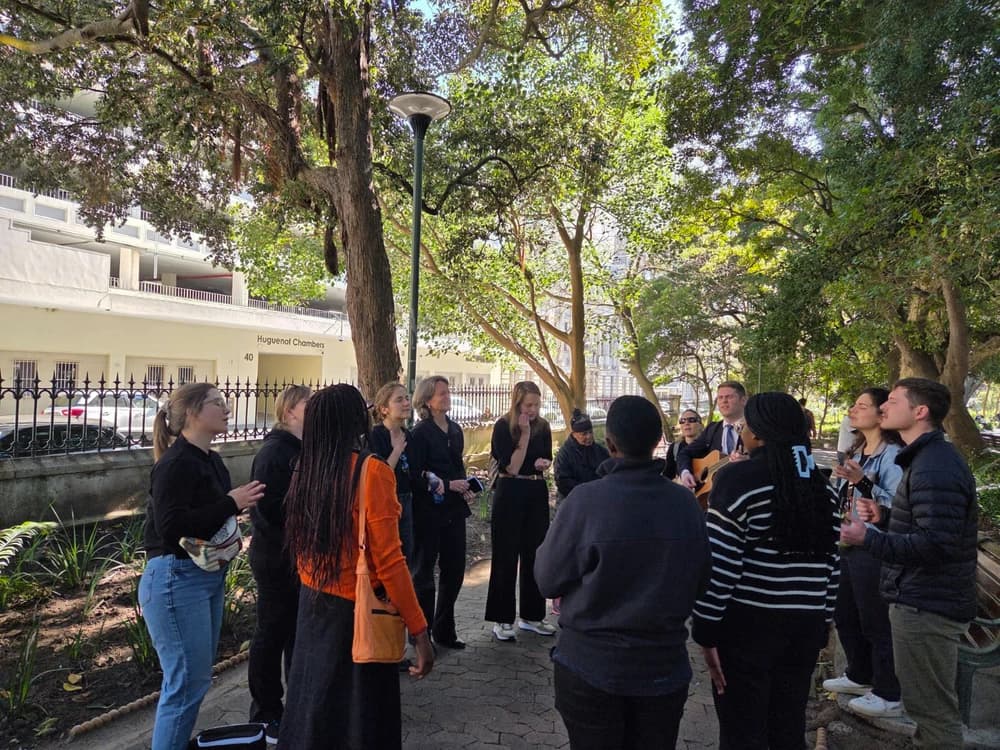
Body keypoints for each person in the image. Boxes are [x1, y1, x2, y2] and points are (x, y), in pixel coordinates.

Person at [535, 395, 711, 750]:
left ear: (610, 443)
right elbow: (702, 581)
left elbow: (547, 578)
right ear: (657, 442)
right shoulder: (685, 504)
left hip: (590, 666)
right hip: (662, 668)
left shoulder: (584, 502)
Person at [278, 384, 433, 749]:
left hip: (313, 605)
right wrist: (419, 631)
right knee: (360, 720)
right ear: (355, 421)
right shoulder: (371, 471)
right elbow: (391, 562)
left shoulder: (305, 468)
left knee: (314, 710)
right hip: (358, 612)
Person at [692, 392, 840, 750]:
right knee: (787, 728)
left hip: (747, 631)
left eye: (745, 426)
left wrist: (705, 631)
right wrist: (823, 623)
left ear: (757, 434)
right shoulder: (823, 489)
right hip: (804, 631)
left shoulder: (738, 482)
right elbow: (831, 567)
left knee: (743, 732)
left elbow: (721, 565)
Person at [840, 378, 978, 749]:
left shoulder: (935, 466)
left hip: (928, 604)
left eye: (893, 401)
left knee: (932, 711)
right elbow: (927, 527)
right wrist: (884, 516)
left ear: (920, 412)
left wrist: (869, 538)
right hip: (919, 598)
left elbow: (936, 545)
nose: (884, 407)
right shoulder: (924, 459)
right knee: (923, 706)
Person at [140, 383, 265, 750]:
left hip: (203, 577)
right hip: (175, 579)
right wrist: (231, 503)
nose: (227, 409)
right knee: (185, 686)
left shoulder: (211, 460)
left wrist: (236, 505)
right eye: (217, 403)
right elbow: (171, 526)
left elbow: (209, 517)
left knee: (193, 682)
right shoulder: (176, 463)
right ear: (193, 412)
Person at [823, 388, 904, 718]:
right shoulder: (856, 450)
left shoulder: (893, 455)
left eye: (862, 405)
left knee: (874, 619)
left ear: (881, 414)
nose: (853, 410)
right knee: (845, 612)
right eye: (853, 405)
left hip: (874, 545)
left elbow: (896, 505)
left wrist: (862, 481)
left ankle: (888, 692)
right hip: (847, 542)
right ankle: (859, 674)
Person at [247, 384, 311, 739]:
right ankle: (265, 711)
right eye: (308, 404)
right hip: (276, 557)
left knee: (295, 634)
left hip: (297, 556)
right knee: (271, 633)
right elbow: (269, 509)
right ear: (289, 412)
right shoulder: (275, 453)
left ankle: (296, 705)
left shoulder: (303, 449)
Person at [486, 381, 556, 641]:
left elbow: (546, 457)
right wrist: (524, 435)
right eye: (528, 405)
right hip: (510, 491)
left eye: (537, 404)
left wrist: (544, 463)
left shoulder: (544, 426)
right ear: (517, 403)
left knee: (535, 554)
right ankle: (502, 619)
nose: (533, 410)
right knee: (506, 555)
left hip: (535, 490)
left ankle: (532, 616)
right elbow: (512, 467)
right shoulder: (503, 426)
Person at [407, 376, 473, 649]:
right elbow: (415, 474)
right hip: (428, 512)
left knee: (454, 570)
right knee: (424, 574)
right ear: (427, 401)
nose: (447, 397)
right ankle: (421, 635)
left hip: (454, 511)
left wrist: (465, 486)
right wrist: (446, 484)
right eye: (441, 393)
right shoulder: (419, 433)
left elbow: (458, 466)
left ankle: (445, 630)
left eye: (448, 392)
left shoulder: (455, 430)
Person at [370, 383, 415, 564]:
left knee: (407, 556)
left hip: (407, 499)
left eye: (407, 398)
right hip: (386, 501)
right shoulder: (376, 436)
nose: (406, 403)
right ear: (384, 409)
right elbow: (378, 476)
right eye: (399, 400)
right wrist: (396, 450)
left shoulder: (407, 435)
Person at [678, 380, 749, 491]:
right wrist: (685, 473)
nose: (724, 401)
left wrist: (748, 459)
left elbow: (767, 457)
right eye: (720, 398)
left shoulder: (754, 428)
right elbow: (685, 453)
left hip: (744, 488)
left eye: (729, 397)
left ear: (743, 400)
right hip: (713, 492)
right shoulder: (712, 429)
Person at [553, 408, 610, 502]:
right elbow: (562, 481)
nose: (589, 436)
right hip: (573, 500)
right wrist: (586, 491)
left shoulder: (601, 451)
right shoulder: (564, 454)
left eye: (590, 432)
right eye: (584, 434)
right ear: (574, 434)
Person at [663, 408, 703, 480]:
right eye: (682, 421)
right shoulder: (675, 448)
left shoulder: (708, 444)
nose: (686, 423)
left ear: (700, 425)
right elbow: (667, 475)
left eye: (691, 420)